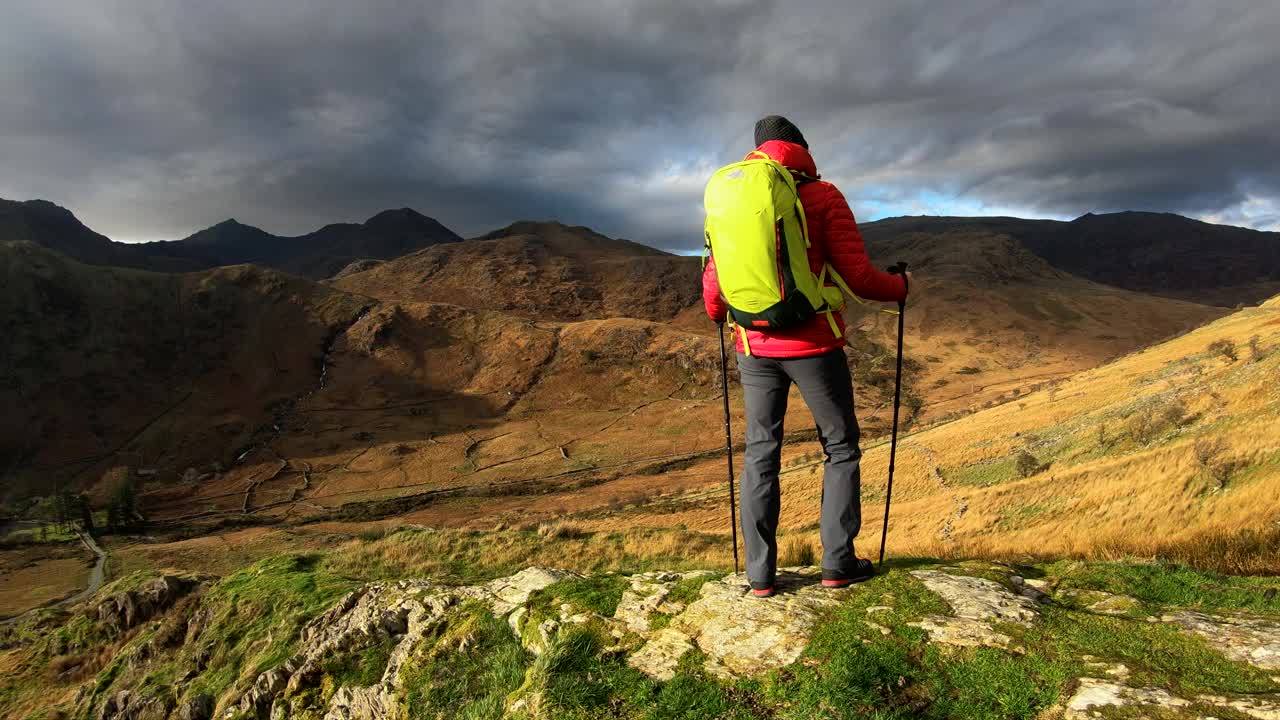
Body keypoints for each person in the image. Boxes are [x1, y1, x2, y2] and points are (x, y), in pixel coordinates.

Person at [701, 115, 912, 598]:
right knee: (839, 447)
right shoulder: (823, 196)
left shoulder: (731, 198)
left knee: (761, 453)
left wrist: (720, 315)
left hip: (753, 345)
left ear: (759, 150)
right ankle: (837, 565)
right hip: (815, 346)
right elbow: (859, 277)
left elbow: (714, 281)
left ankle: (760, 575)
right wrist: (901, 286)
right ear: (801, 148)